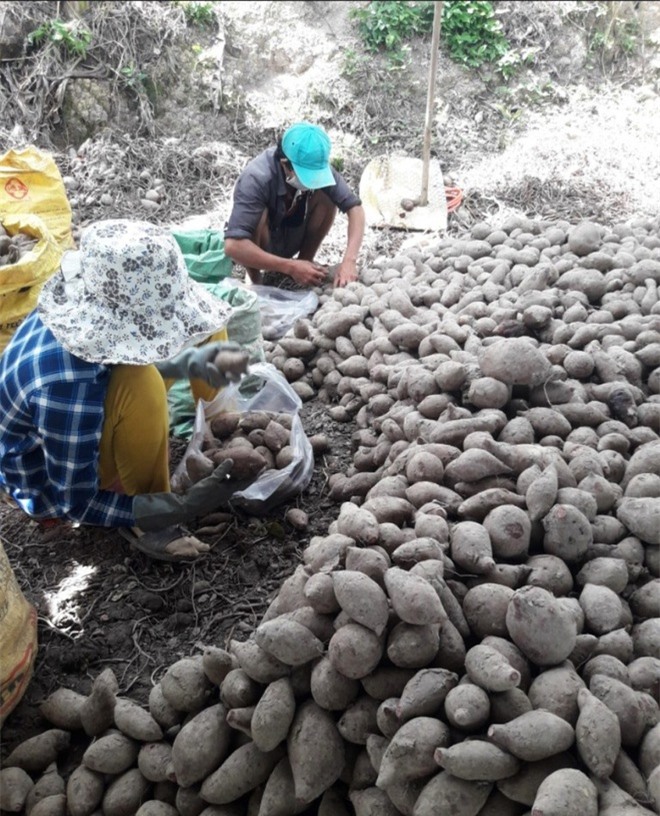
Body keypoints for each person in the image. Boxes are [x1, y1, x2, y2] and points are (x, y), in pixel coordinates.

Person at [0, 219, 248, 563]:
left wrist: (233, 439)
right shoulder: (64, 386)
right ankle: (149, 522)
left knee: (206, 335)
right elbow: (76, 500)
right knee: (141, 384)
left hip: (89, 402)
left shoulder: (92, 301)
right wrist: (176, 506)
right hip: (52, 478)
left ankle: (221, 441)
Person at [223, 121, 366, 289]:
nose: (312, 182)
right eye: (306, 176)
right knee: (257, 217)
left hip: (292, 234)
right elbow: (233, 246)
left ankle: (305, 263)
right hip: (262, 246)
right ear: (285, 163)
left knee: (326, 197)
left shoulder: (317, 165)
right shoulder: (256, 178)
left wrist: (349, 261)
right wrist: (289, 267)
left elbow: (355, 209)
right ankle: (256, 280)